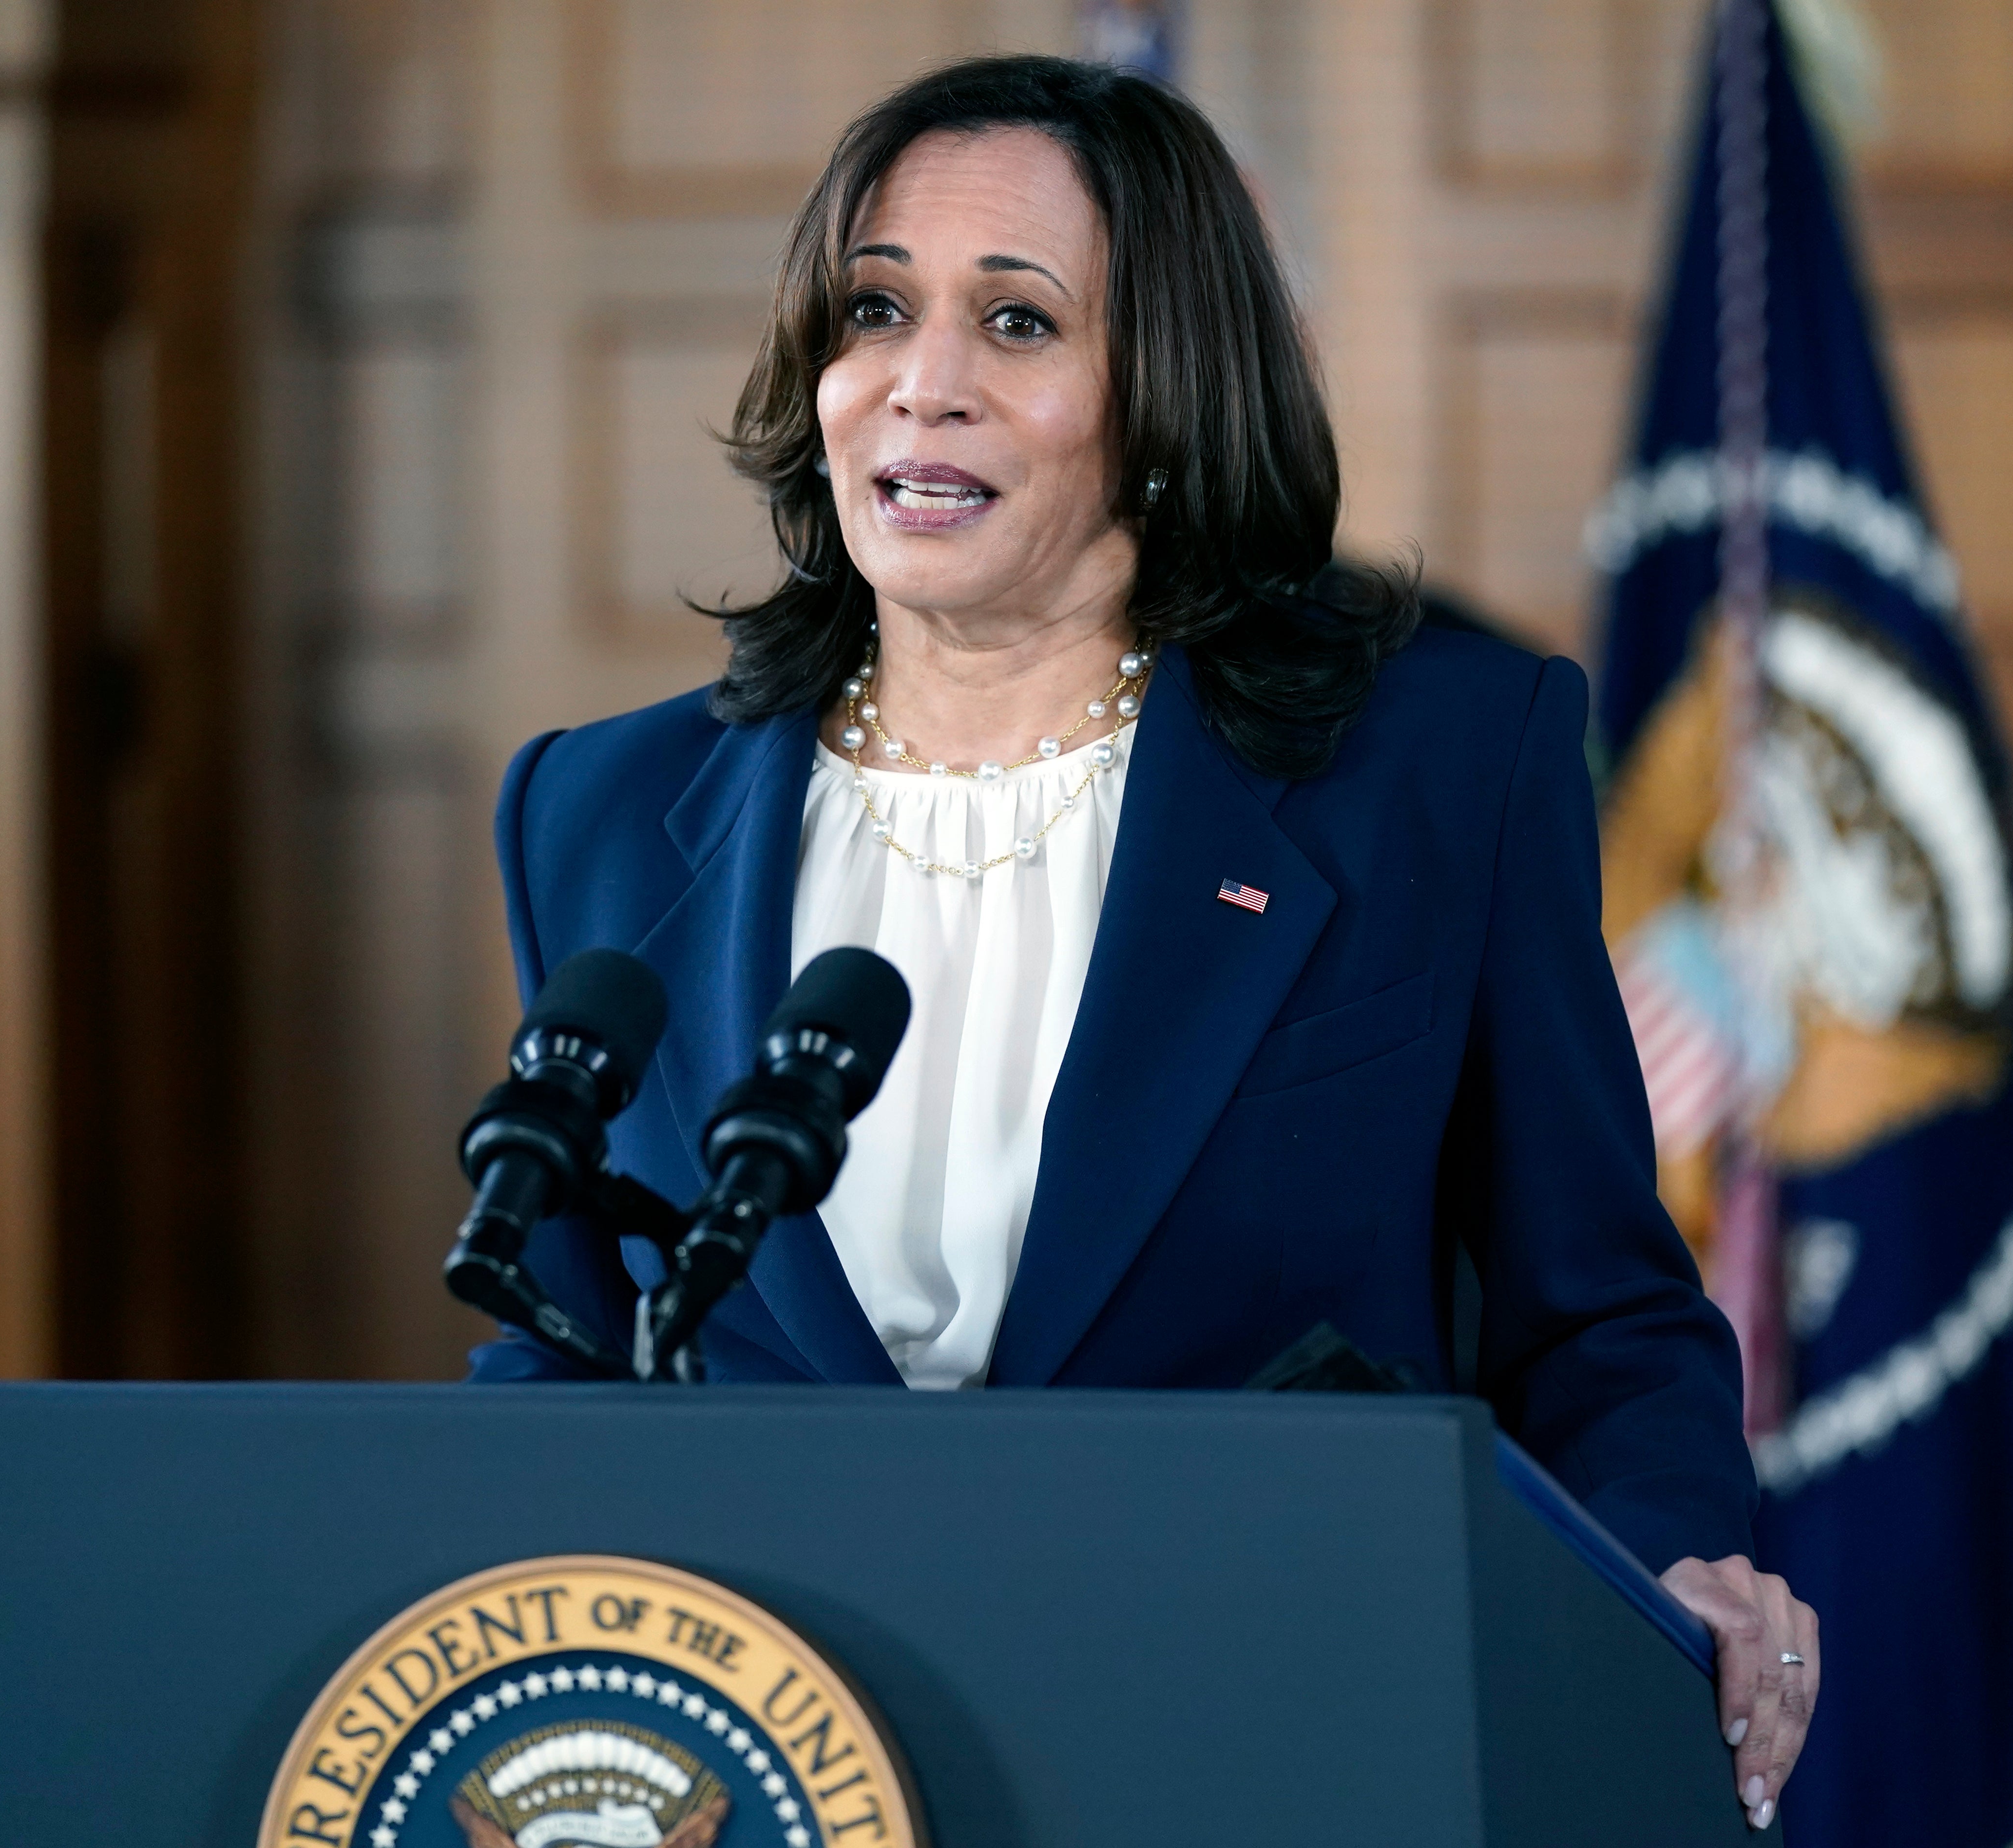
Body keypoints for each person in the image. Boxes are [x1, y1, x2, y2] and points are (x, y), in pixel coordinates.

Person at [473, 54, 1817, 1827]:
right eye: (874, 310)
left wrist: (1670, 1570)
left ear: (1168, 394)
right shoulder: (598, 808)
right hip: (773, 1755)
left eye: (1017, 322)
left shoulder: (1430, 775)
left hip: (1267, 1729)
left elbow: (1597, 1317)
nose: (922, 382)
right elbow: (556, 1349)